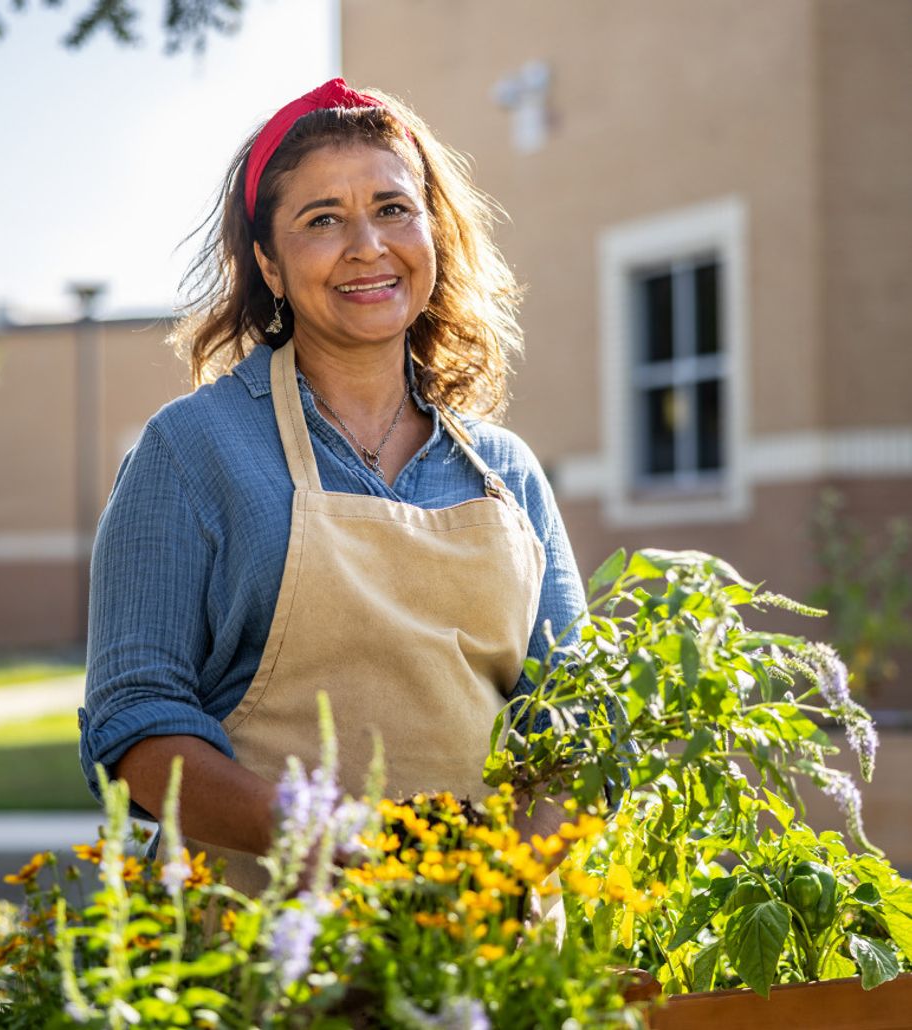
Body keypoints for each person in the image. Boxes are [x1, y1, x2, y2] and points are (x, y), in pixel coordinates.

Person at [78, 79, 588, 895]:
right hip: (259, 931)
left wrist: (492, 887)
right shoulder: (191, 451)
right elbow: (135, 721)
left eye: (393, 209)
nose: (367, 245)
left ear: (432, 232)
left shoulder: (507, 472)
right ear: (269, 265)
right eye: (322, 220)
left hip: (490, 938)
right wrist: (320, 839)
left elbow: (576, 723)